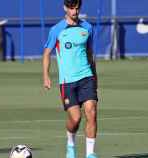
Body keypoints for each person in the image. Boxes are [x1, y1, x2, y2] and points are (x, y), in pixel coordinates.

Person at [42, 0, 98, 158]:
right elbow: (46, 53)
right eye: (72, 8)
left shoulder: (87, 27)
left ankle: (90, 154)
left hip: (86, 77)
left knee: (91, 112)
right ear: (65, 8)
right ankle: (70, 144)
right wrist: (46, 76)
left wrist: (95, 76)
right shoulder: (57, 30)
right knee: (75, 119)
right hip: (67, 82)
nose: (75, 11)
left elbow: (89, 54)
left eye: (77, 8)